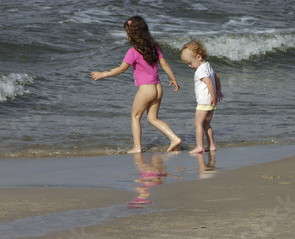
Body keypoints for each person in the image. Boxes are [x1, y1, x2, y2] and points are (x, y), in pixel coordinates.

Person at [91, 16, 182, 153]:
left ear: (132, 35)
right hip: (158, 88)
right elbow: (164, 64)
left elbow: (121, 69)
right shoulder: (154, 47)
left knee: (135, 116)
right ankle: (174, 138)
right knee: (153, 118)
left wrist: (102, 74)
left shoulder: (132, 52)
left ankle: (137, 147)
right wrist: (173, 79)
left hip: (146, 90)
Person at [180, 40, 223, 154]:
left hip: (204, 102)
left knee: (198, 124)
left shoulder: (200, 71)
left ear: (198, 57)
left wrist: (213, 96)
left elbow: (209, 82)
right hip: (210, 102)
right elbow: (216, 77)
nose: (189, 66)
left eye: (190, 63)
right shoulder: (208, 66)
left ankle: (199, 146)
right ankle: (211, 145)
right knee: (206, 124)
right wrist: (218, 91)